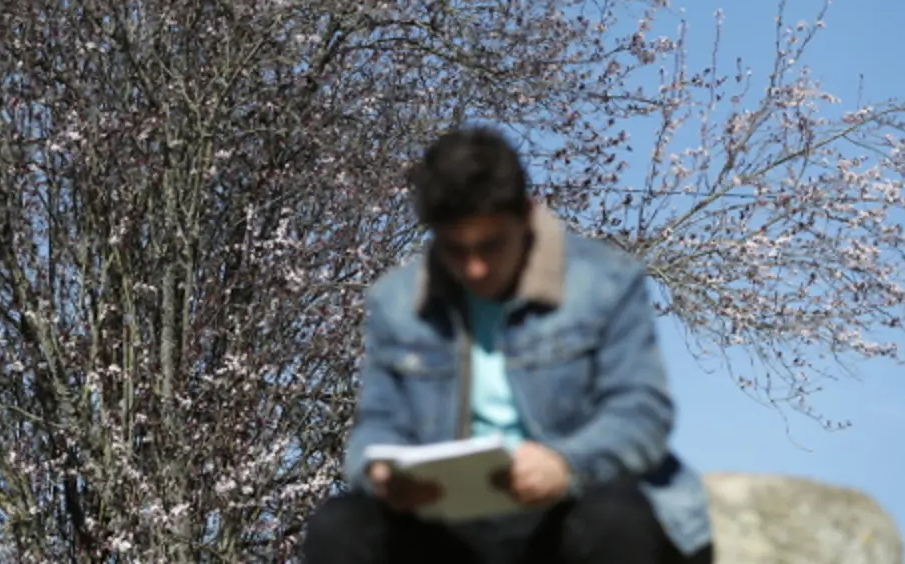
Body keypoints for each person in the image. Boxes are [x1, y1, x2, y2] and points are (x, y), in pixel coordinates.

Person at [302, 126, 715, 564]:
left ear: (526, 218)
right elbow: (378, 422)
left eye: (490, 245)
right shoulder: (398, 302)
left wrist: (566, 464)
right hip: (449, 519)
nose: (475, 267)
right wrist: (380, 470)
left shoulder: (606, 281)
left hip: (571, 503)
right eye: (456, 249)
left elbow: (641, 412)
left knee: (614, 521)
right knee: (340, 526)